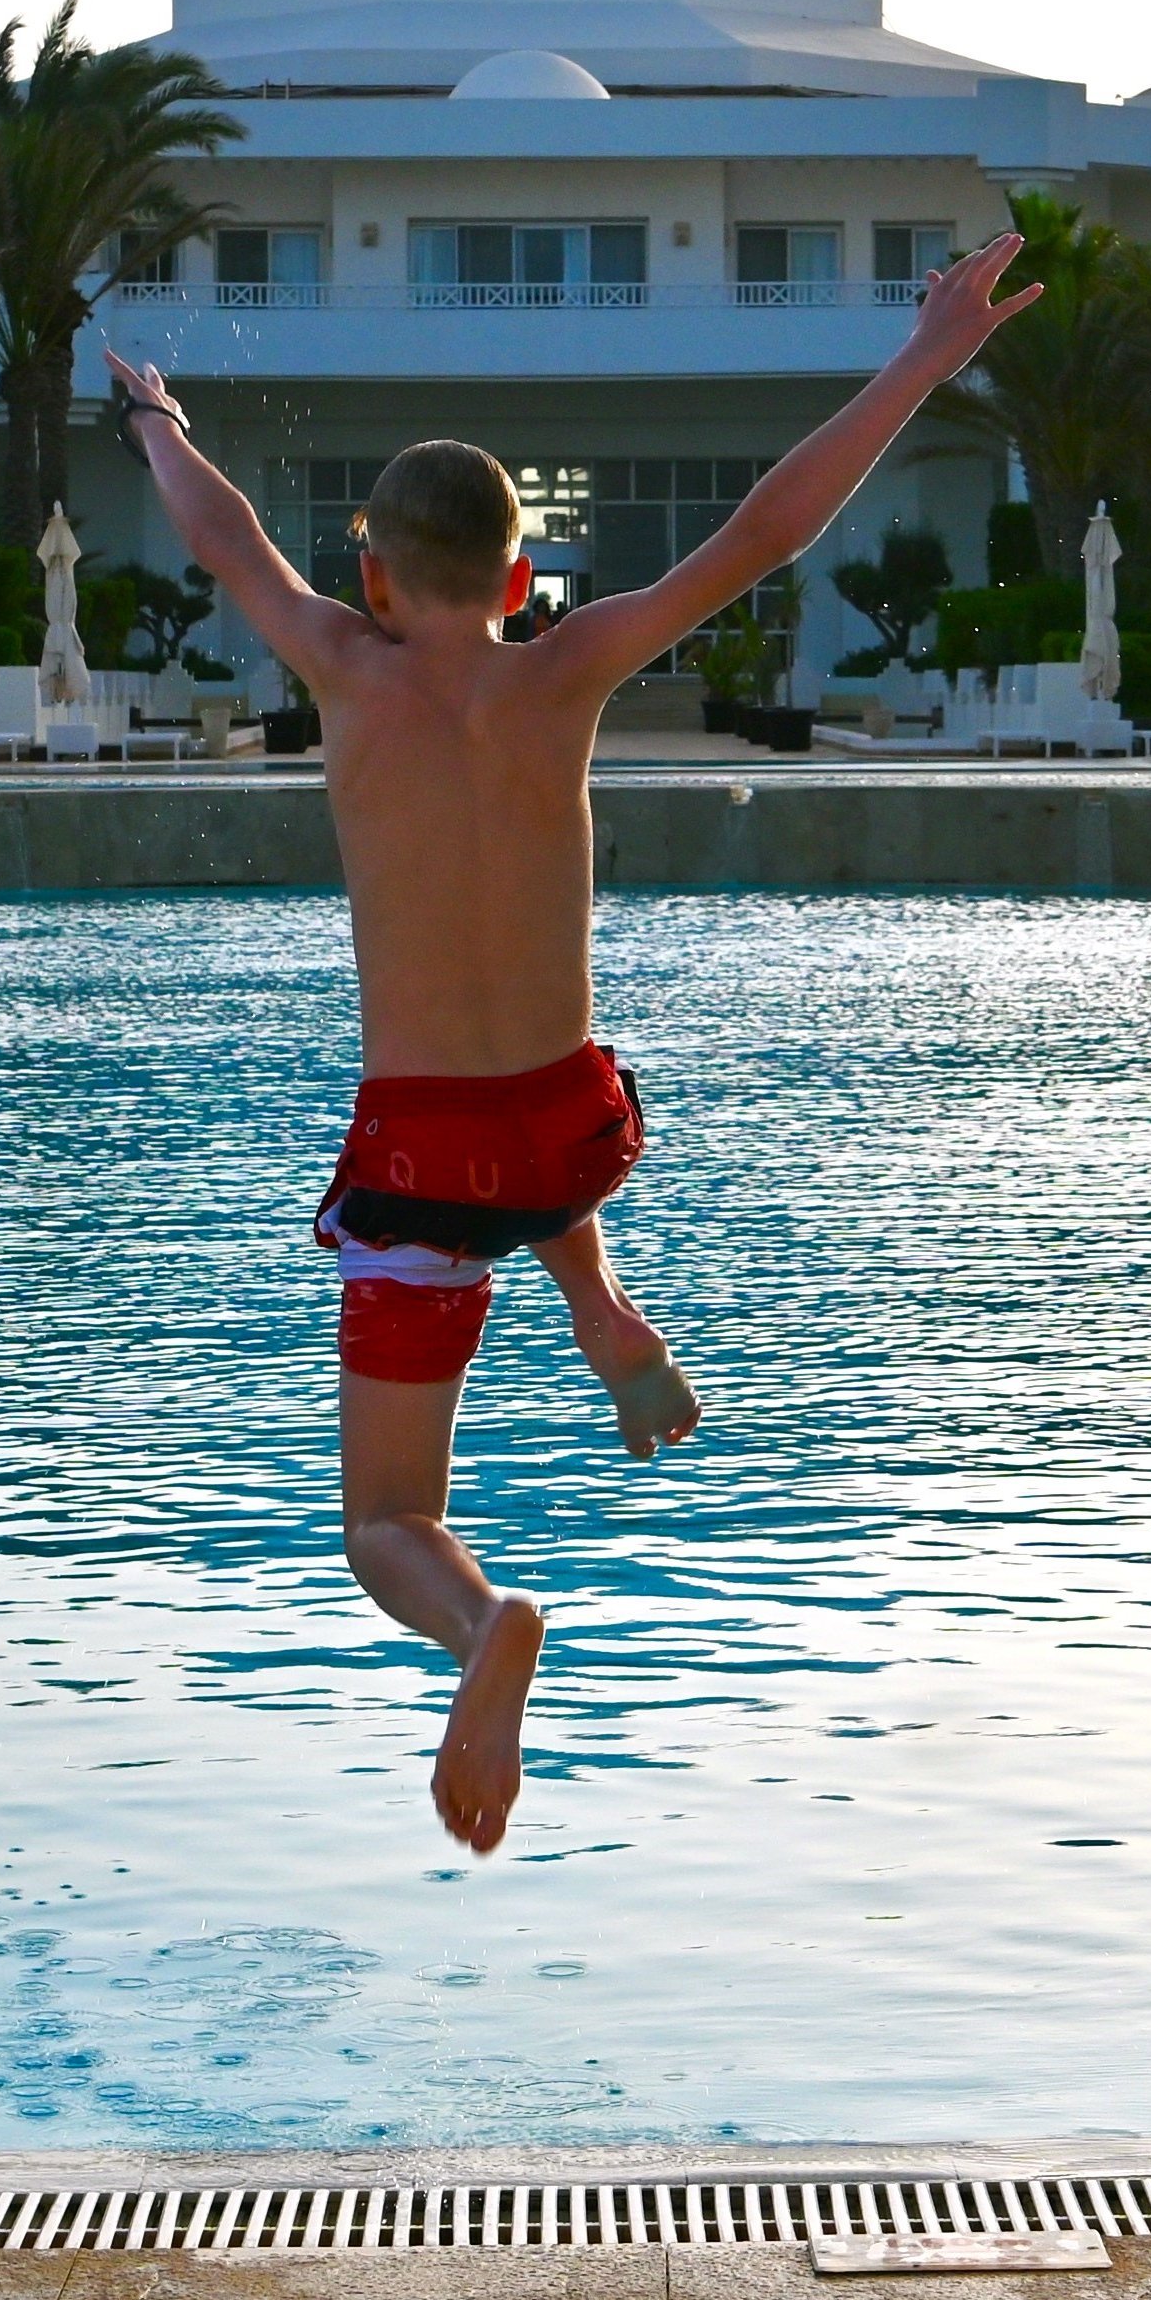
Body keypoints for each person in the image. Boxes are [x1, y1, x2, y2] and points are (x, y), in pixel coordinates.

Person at [107, 237, 1041, 1855]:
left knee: (386, 1514)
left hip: (419, 1152)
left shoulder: (340, 664)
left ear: (377, 574)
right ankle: (602, 1312)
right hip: (556, 1128)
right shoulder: (570, 671)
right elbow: (767, 526)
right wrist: (919, 360)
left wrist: (155, 419)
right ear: (522, 574)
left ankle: (481, 1627)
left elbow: (226, 536)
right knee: (545, 1118)